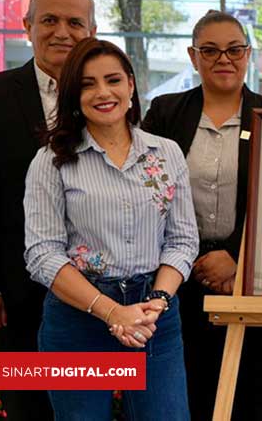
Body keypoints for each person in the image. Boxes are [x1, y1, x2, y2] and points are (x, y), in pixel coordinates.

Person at [23, 38, 198, 418]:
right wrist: (111, 312)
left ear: (131, 85)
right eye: (87, 84)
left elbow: (182, 240)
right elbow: (42, 255)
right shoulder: (51, 161)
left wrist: (158, 303)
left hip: (155, 315)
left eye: (113, 80)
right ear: (73, 95)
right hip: (78, 319)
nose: (103, 92)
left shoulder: (166, 152)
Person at [142, 10, 262, 420]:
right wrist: (188, 257)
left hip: (256, 281)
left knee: (250, 398)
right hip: (180, 280)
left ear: (248, 54)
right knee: (190, 395)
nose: (223, 59)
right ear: (193, 57)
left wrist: (235, 255)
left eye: (234, 49)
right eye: (210, 50)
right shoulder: (165, 113)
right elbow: (146, 192)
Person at [0, 0, 97, 420]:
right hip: (18, 291)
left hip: (99, 291)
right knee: (29, 404)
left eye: (75, 22)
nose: (62, 32)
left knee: (86, 404)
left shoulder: (106, 96)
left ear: (91, 32)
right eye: (49, 20)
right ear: (27, 25)